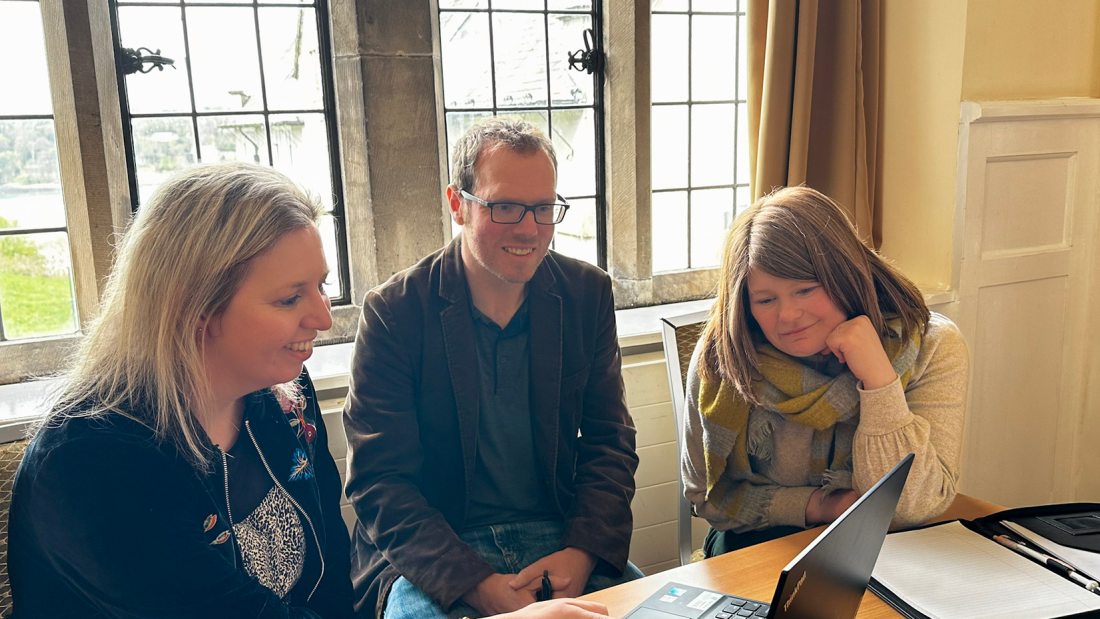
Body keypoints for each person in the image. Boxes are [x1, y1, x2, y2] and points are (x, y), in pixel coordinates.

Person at [10, 163, 355, 618]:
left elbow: (331, 571)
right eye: (290, 298)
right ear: (193, 308)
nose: (324, 318)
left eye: (321, 286)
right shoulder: (92, 459)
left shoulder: (284, 388)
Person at [343, 117, 642, 619]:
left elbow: (610, 441)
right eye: (504, 207)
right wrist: (476, 584)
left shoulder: (586, 294)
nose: (529, 228)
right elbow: (380, 482)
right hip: (439, 548)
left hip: (559, 537)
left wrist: (582, 552)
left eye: (543, 208)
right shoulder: (394, 312)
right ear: (458, 204)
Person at [681, 186, 968, 558]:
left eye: (805, 289)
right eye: (766, 300)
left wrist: (880, 381)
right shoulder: (726, 357)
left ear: (846, 276)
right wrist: (818, 505)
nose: (787, 315)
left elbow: (913, 507)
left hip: (893, 552)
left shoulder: (933, 347)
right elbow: (705, 496)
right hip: (754, 546)